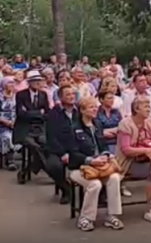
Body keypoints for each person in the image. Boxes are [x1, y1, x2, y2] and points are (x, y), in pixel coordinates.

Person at [63, 96, 124, 232]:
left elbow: (104, 146)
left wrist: (105, 155)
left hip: (100, 167)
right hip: (80, 168)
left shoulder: (97, 125)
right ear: (82, 110)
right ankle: (86, 218)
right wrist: (91, 160)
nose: (95, 109)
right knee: (94, 184)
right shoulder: (73, 128)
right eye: (91, 107)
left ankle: (112, 215)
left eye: (95, 106)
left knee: (114, 178)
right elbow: (73, 153)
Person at [116, 95, 151, 223]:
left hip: (147, 159)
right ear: (136, 108)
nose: (149, 109)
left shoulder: (150, 122)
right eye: (146, 106)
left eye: (149, 106)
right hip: (128, 162)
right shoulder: (125, 124)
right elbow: (126, 150)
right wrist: (147, 150)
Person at [45, 86, 79, 205]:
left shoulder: (79, 111)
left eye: (73, 94)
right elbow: (51, 136)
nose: (71, 97)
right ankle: (65, 189)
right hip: (59, 149)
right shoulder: (54, 113)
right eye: (68, 94)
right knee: (52, 166)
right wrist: (63, 153)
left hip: (77, 149)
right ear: (60, 97)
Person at [13, 70, 52, 177]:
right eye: (35, 81)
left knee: (47, 144)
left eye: (39, 81)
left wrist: (30, 113)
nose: (38, 83)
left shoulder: (43, 95)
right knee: (34, 146)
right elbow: (20, 113)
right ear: (29, 83)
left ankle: (29, 169)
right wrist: (39, 112)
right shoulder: (21, 95)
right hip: (24, 129)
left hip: (40, 128)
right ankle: (48, 169)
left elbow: (47, 114)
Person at [0, 77, 19, 170]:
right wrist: (6, 122)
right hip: (1, 123)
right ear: (4, 85)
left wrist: (15, 121)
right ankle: (10, 160)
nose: (12, 85)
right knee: (7, 137)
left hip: (16, 122)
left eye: (13, 83)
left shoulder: (17, 96)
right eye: (9, 83)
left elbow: (19, 111)